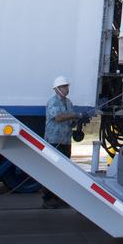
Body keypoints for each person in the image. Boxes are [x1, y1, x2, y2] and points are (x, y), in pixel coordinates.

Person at [42, 75, 82, 208]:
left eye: (67, 86)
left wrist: (78, 121)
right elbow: (58, 118)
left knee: (64, 170)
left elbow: (69, 121)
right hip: (54, 141)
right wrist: (75, 115)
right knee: (52, 170)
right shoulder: (52, 102)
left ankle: (59, 197)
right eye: (64, 87)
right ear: (57, 89)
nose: (66, 89)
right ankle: (47, 199)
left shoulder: (69, 103)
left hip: (65, 141)